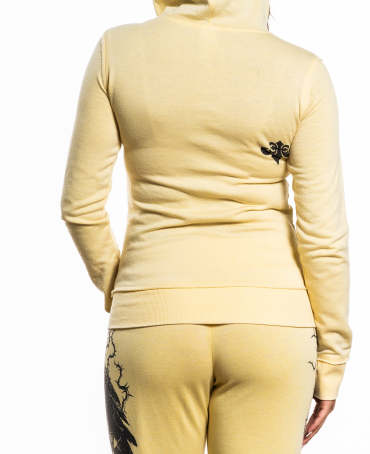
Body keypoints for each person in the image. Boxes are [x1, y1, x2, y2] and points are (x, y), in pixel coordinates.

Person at [60, 0, 352, 452]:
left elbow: (80, 208)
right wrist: (331, 360)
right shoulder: (303, 71)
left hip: (152, 324)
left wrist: (128, 287)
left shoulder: (117, 51)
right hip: (272, 328)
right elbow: (323, 239)